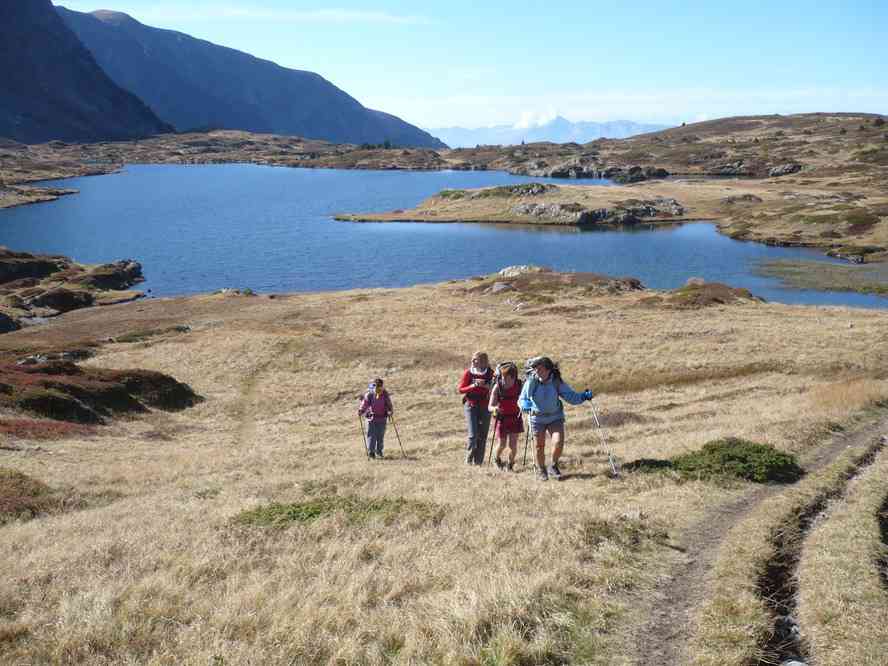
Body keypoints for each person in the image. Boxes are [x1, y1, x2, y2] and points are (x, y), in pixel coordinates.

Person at [518, 356, 593, 481]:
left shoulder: (556, 381)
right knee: (539, 446)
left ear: (548, 370)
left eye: (540, 369)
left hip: (555, 417)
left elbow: (571, 396)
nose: (537, 371)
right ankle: (542, 470)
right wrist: (524, 405)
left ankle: (553, 466)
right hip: (537, 419)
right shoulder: (531, 381)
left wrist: (583, 396)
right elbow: (522, 398)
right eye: (536, 369)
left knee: (558, 442)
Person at [457, 351, 494, 465]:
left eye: (475, 359)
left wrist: (485, 385)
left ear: (483, 361)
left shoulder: (490, 373)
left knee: (483, 436)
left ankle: (478, 462)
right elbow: (461, 389)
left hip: (485, 406)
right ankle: (468, 459)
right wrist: (473, 385)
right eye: (473, 359)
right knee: (473, 435)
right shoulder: (469, 373)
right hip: (471, 405)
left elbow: (495, 389)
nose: (472, 361)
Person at [488, 361, 524, 471]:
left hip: (515, 417)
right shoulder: (497, 387)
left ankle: (510, 464)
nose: (503, 380)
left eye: (506, 378)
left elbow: (525, 399)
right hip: (502, 419)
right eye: (502, 377)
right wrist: (494, 409)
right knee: (502, 444)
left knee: (513, 446)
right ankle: (496, 459)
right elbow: (490, 406)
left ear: (513, 377)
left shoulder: (519, 386)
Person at [358, 378, 393, 459]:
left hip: (382, 418)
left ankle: (379, 451)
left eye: (380, 387)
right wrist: (361, 410)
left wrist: (390, 411)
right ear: (374, 386)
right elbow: (365, 403)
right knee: (371, 436)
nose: (378, 389)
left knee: (380, 437)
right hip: (371, 419)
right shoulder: (369, 394)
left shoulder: (385, 394)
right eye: (377, 387)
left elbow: (389, 404)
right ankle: (371, 453)